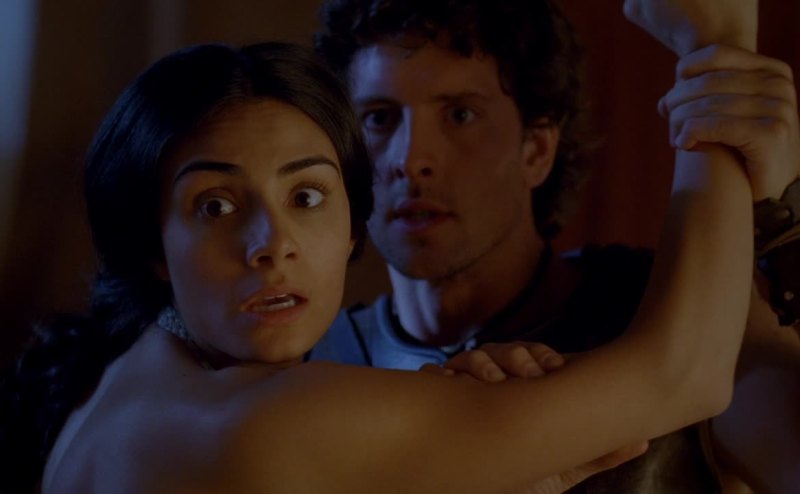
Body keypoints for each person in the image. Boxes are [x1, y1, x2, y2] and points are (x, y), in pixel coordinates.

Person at [0, 36, 755, 493]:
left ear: (353, 222)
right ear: (152, 247)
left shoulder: (116, 395)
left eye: (306, 195)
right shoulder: (257, 422)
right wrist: (715, 59)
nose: (273, 243)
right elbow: (683, 374)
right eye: (216, 206)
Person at [308, 0, 800, 491]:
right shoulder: (311, 362)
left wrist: (782, 220)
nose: (411, 158)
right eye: (379, 118)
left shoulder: (678, 306)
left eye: (460, 115)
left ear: (537, 149)